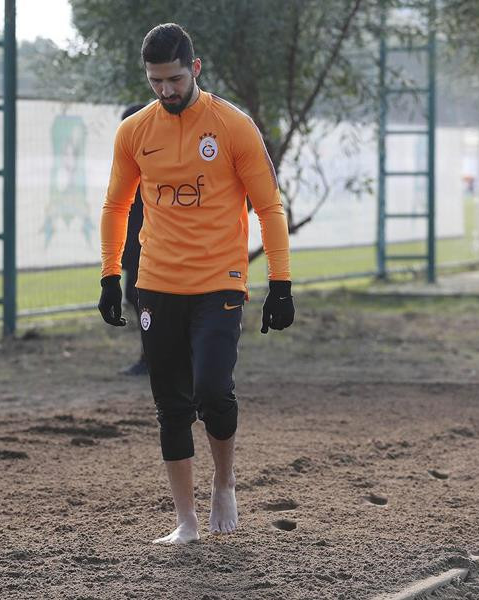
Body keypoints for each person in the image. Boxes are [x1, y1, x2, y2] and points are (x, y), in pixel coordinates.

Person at [98, 23, 294, 545]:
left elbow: (269, 205)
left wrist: (281, 281)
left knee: (212, 391)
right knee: (171, 404)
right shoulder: (134, 132)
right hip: (158, 282)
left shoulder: (232, 126)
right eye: (156, 81)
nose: (166, 91)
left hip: (219, 282)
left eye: (176, 79)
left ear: (196, 69)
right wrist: (109, 274)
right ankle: (185, 521)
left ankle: (224, 481)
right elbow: (117, 206)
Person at [119, 103, 148, 376]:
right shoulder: (129, 160)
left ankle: (153, 357)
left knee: (145, 299)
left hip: (150, 245)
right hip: (134, 244)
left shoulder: (152, 161)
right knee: (135, 297)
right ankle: (150, 356)